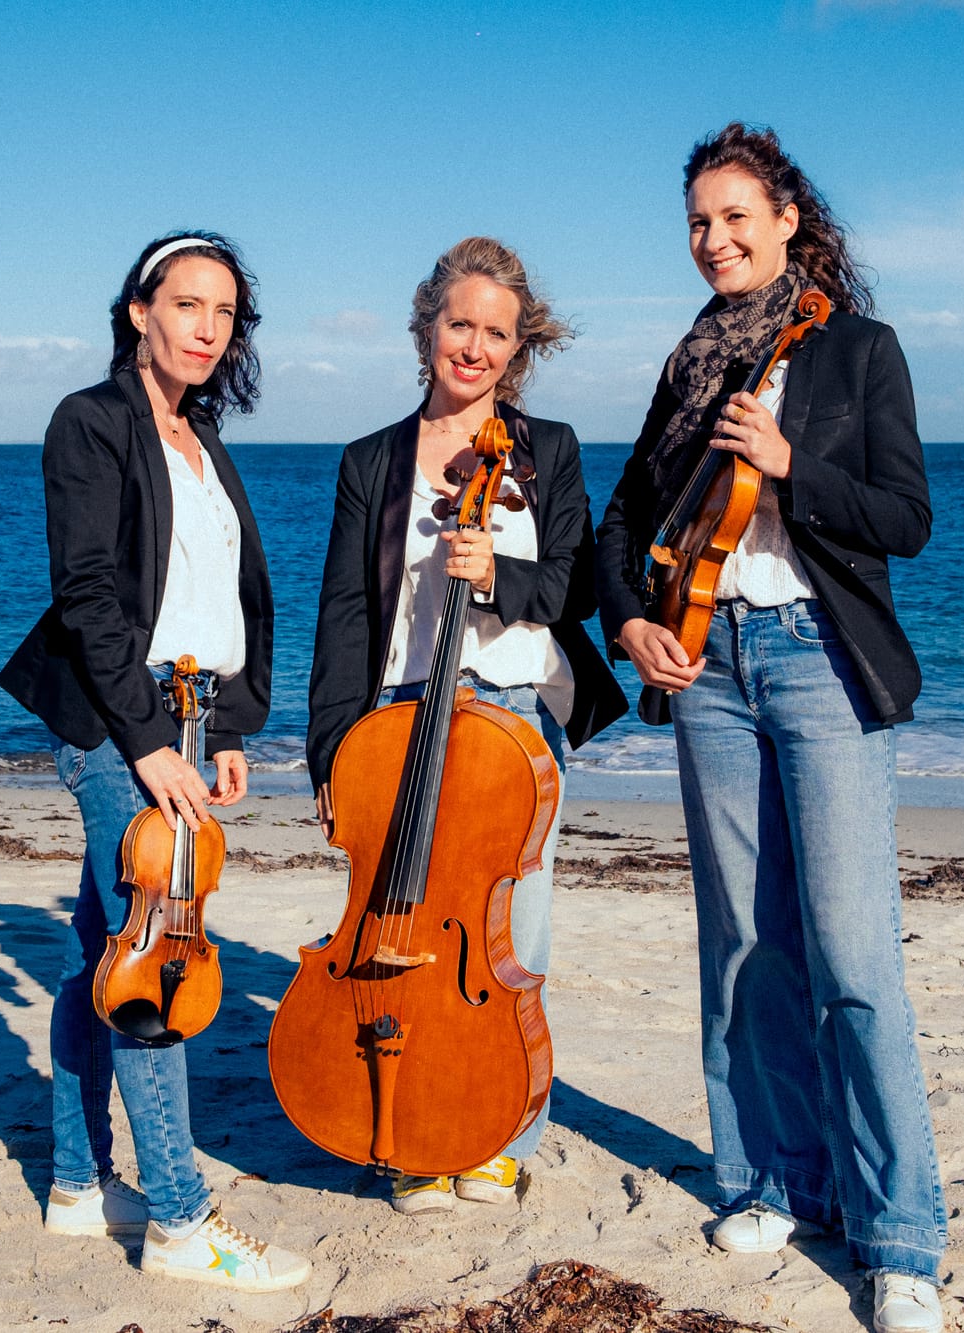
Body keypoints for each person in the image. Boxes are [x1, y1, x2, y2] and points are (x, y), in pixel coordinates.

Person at [594, 124, 947, 1333]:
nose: (715, 240)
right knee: (742, 943)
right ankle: (766, 1179)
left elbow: (904, 517)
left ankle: (899, 1237)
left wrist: (792, 465)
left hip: (815, 659)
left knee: (851, 957)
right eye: (698, 222)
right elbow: (619, 521)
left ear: (789, 217)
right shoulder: (691, 362)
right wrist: (630, 624)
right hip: (706, 665)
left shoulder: (856, 351)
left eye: (735, 215)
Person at [0, 231, 309, 1293]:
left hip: (185, 715)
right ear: (139, 311)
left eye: (224, 312)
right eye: (186, 305)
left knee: (100, 949)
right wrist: (144, 744)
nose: (207, 327)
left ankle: (81, 1188)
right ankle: (179, 1219)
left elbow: (223, 603)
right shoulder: (89, 423)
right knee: (152, 971)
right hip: (115, 723)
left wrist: (218, 737)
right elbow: (86, 592)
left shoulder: (201, 438)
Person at [305, 236, 626, 1215]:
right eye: (459, 325)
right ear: (426, 328)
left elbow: (577, 578)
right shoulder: (372, 460)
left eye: (495, 332)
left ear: (516, 347)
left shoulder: (548, 450)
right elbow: (345, 616)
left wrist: (500, 577)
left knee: (505, 935)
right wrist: (326, 753)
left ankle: (492, 1131)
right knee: (399, 925)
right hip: (402, 717)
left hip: (514, 717)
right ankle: (408, 1128)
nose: (473, 347)